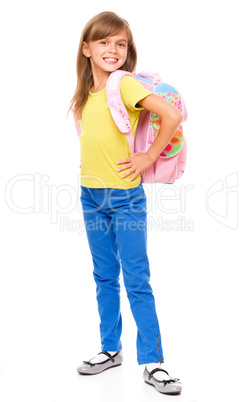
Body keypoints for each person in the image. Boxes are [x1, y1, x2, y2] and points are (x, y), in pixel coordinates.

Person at [68, 11, 183, 395]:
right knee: (104, 276)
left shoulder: (124, 84)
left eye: (121, 43)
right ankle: (110, 349)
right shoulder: (85, 95)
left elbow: (171, 114)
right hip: (90, 195)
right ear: (86, 49)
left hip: (124, 198)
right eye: (104, 42)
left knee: (136, 279)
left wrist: (148, 157)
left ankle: (153, 362)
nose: (113, 49)